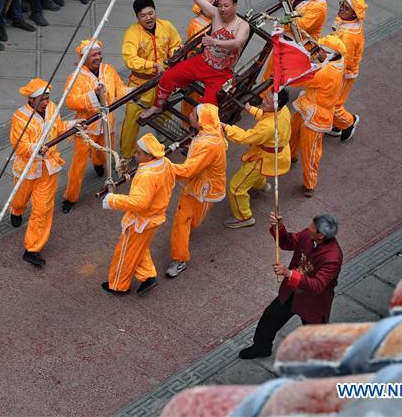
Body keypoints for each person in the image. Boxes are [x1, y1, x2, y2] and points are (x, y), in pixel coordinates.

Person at [139, 0, 249, 119]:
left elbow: (237, 43)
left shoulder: (242, 25)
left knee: (207, 107)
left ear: (235, 6)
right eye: (221, 5)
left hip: (221, 72)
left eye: (226, 5)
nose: (222, 9)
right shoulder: (215, 14)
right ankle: (157, 106)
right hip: (202, 62)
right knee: (168, 77)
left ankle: (202, 133)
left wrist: (215, 42)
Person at [238, 212, 343, 358]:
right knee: (269, 319)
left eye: (313, 226)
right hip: (292, 292)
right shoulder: (308, 235)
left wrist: (289, 274)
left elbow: (318, 285)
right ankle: (261, 348)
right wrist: (279, 228)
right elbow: (288, 242)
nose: (309, 227)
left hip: (313, 302)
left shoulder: (333, 257)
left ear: (321, 236)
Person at [101, 134, 176, 295]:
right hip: (154, 217)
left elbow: (140, 203)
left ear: (149, 155)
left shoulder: (146, 176)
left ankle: (118, 285)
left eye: (138, 153)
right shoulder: (165, 163)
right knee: (139, 248)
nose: (135, 155)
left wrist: (113, 200)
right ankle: (147, 276)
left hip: (140, 220)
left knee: (125, 252)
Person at [9, 78, 71, 267]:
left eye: (47, 98)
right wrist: (37, 148)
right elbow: (19, 145)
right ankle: (17, 209)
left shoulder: (52, 108)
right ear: (31, 100)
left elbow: (59, 128)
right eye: (42, 99)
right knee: (20, 198)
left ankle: (32, 248)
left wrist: (75, 124)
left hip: (48, 169)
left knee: (42, 210)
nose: (46, 102)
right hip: (27, 170)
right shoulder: (19, 117)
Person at [61, 40, 128, 214]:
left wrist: (136, 92)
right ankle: (70, 197)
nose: (98, 57)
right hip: (87, 128)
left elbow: (120, 90)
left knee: (104, 153)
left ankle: (98, 164)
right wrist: (94, 96)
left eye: (99, 53)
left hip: (107, 124)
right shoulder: (75, 78)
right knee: (78, 165)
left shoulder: (109, 70)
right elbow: (70, 101)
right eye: (93, 55)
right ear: (83, 58)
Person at [166, 104, 227, 278]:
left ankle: (180, 254)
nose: (190, 114)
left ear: (201, 122)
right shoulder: (213, 133)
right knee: (183, 219)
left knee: (188, 221)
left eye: (194, 113)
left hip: (203, 188)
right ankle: (179, 257)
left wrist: (166, 167)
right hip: (201, 187)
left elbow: (189, 170)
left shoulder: (208, 144)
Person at [119, 0, 182, 159]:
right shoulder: (132, 34)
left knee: (166, 112)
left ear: (155, 11)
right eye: (143, 15)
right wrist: (152, 65)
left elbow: (176, 44)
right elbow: (129, 59)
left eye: (150, 13)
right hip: (141, 86)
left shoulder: (166, 26)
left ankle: (159, 142)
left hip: (165, 81)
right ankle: (125, 157)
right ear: (137, 18)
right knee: (131, 123)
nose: (148, 18)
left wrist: (174, 55)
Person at [223, 89, 292, 228]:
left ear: (277, 104)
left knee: (236, 188)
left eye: (267, 101)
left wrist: (226, 128)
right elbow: (266, 115)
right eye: (265, 97)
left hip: (262, 157)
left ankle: (244, 217)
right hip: (276, 154)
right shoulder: (283, 111)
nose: (263, 101)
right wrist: (251, 109)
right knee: (260, 172)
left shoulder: (268, 127)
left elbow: (246, 137)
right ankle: (260, 185)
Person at [289, 35, 347, 196]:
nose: (318, 51)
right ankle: (291, 156)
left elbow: (299, 81)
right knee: (293, 134)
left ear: (331, 53)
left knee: (310, 151)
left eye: (322, 49)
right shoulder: (336, 63)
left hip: (316, 116)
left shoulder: (325, 72)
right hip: (307, 107)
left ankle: (310, 183)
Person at [329, 0, 367, 142]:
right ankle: (335, 125)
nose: (341, 9)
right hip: (340, 69)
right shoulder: (348, 21)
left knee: (334, 104)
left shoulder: (349, 36)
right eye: (341, 5)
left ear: (354, 13)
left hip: (344, 73)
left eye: (346, 8)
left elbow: (346, 62)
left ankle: (349, 123)